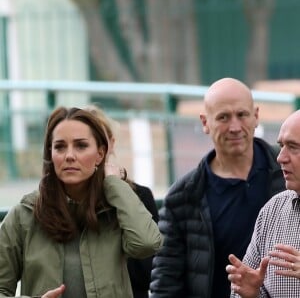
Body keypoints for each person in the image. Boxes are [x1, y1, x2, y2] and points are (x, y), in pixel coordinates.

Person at [0, 107, 163, 298]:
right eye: (60, 147)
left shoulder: (117, 209)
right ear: (50, 155)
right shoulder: (24, 216)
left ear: (100, 154)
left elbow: (147, 244)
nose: (69, 155)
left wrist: (113, 184)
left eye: (81, 146)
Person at [150, 77, 286, 298]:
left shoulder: (288, 172)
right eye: (223, 117)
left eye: (241, 115)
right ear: (205, 122)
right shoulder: (183, 196)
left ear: (256, 116)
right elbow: (166, 281)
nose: (234, 127)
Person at [85, 105, 159, 298]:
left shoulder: (140, 196)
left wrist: (117, 190)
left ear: (111, 143)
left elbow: (146, 272)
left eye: (99, 140)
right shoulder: (64, 201)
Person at [226, 109, 300, 297]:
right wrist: (251, 294)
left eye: (293, 147)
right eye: (281, 146)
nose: (280, 157)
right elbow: (243, 289)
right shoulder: (272, 210)